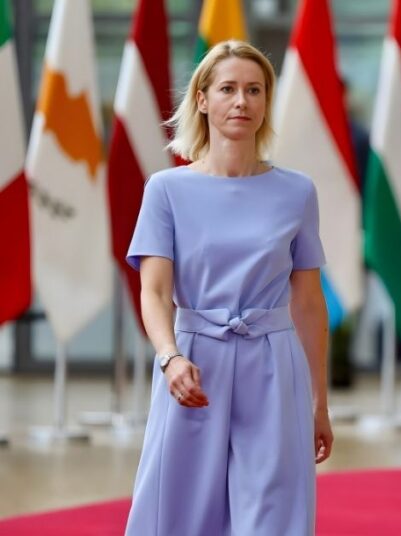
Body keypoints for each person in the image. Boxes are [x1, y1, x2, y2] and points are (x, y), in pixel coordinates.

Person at [124, 40, 333, 535]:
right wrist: (169, 358)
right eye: (228, 89)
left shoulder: (297, 191)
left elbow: (307, 301)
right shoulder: (166, 190)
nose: (242, 101)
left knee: (274, 514)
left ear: (266, 102)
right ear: (202, 99)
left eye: (254, 90)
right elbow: (154, 292)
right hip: (194, 366)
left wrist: (319, 401)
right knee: (179, 513)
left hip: (274, 366)